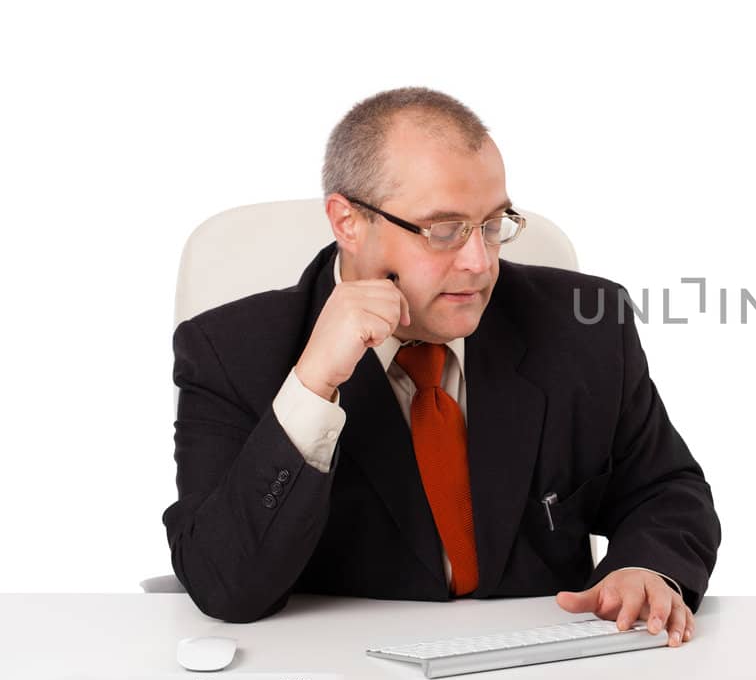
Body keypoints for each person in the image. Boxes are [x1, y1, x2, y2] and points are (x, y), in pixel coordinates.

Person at [163, 87, 720, 647]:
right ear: (348, 221)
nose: (479, 262)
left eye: (493, 223)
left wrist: (647, 568)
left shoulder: (584, 328)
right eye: (444, 230)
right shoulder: (228, 351)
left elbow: (666, 489)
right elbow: (224, 585)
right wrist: (313, 388)